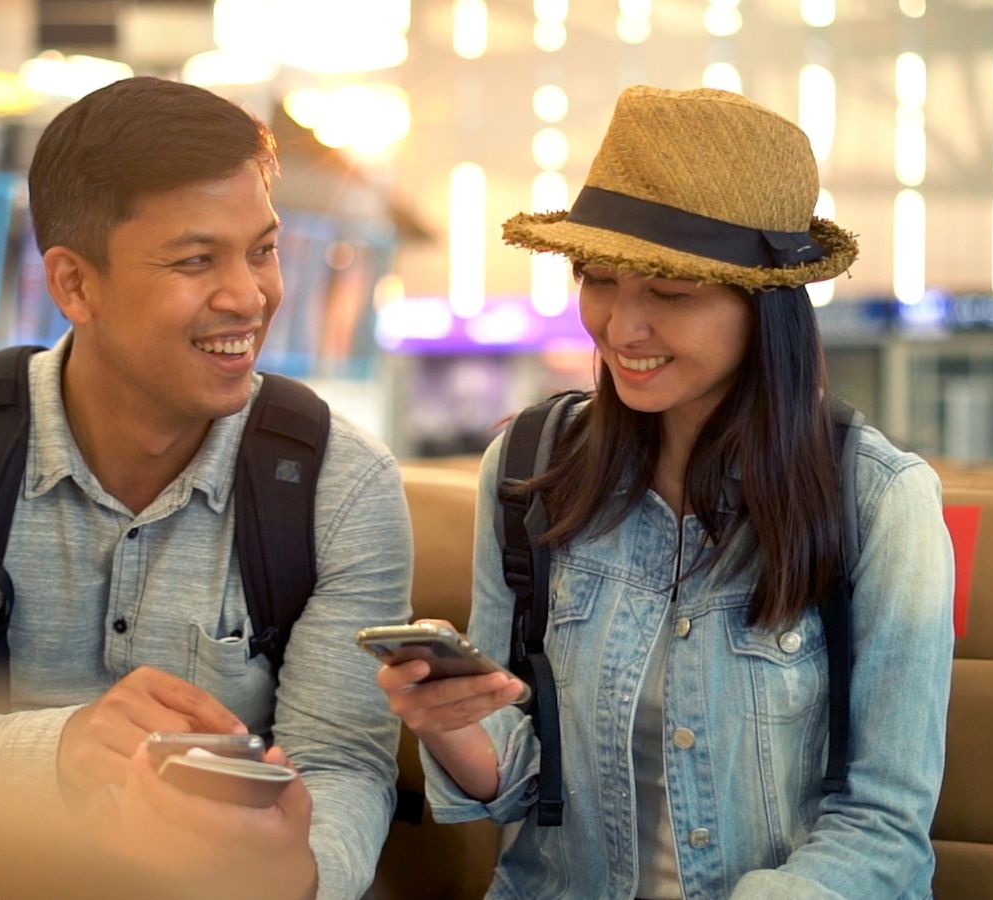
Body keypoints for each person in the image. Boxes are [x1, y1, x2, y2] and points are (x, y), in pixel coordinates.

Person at [0, 76, 413, 899]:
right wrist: (65, 748)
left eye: (263, 249)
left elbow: (341, 763)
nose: (250, 295)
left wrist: (303, 879)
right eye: (197, 260)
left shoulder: (338, 486)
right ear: (74, 285)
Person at [376, 86, 955, 898]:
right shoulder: (530, 466)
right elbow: (523, 785)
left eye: (671, 295)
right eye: (601, 280)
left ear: (765, 306)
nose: (621, 327)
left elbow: (886, 829)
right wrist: (453, 724)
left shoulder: (881, 502)